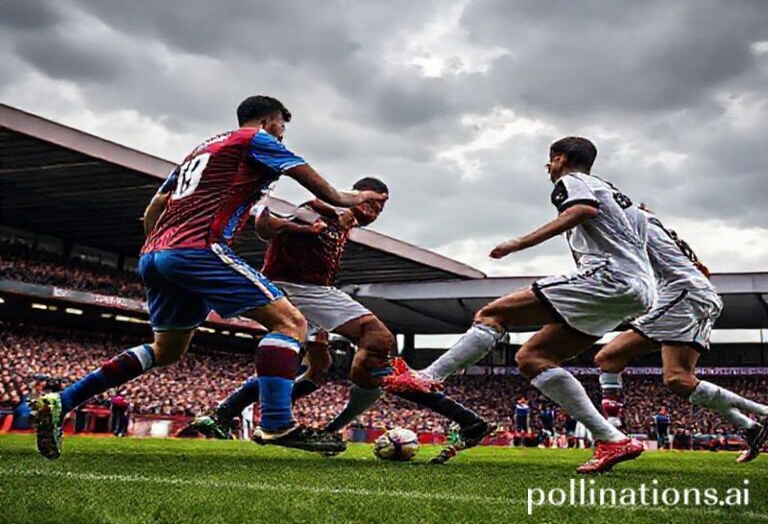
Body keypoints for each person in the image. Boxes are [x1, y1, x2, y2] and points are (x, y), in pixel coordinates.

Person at [32, 95, 386, 459]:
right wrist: (360, 195)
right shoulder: (256, 140)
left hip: (156, 253)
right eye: (282, 125)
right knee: (290, 324)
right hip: (199, 248)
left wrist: (159, 250)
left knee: (166, 350)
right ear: (268, 120)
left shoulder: (199, 151)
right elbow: (328, 193)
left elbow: (155, 206)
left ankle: (63, 400)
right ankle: (278, 422)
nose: (282, 134)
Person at [383, 136, 655, 473]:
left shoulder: (573, 182)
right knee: (533, 357)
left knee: (492, 314)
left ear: (560, 158)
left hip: (609, 278)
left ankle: (428, 377)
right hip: (639, 290)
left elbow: (582, 209)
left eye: (549, 162)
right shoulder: (624, 200)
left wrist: (518, 243)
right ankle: (612, 439)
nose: (548, 169)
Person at [187, 178, 490, 463]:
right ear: (355, 195)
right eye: (371, 202)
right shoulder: (321, 209)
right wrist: (297, 226)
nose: (375, 211)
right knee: (378, 338)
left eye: (380, 209)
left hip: (303, 292)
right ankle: (467, 420)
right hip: (297, 287)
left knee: (318, 370)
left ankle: (224, 414)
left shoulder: (343, 225)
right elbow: (267, 227)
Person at [594, 208, 768, 462]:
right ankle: (752, 427)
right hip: (700, 296)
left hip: (683, 295)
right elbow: (703, 269)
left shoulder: (630, 225)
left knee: (608, 357)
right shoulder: (666, 234)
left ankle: (614, 437)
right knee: (679, 379)